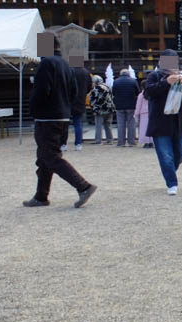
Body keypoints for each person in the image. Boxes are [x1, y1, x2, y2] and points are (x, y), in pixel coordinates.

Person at [24, 35, 97, 208]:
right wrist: (66, 108)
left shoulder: (46, 63)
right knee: (45, 158)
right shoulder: (66, 64)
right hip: (62, 115)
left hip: (47, 116)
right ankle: (41, 196)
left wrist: (33, 109)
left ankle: (83, 186)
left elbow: (41, 90)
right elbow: (74, 90)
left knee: (50, 156)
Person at [144, 49, 182, 195]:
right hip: (160, 123)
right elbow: (148, 92)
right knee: (165, 155)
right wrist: (165, 82)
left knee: (181, 153)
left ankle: (170, 171)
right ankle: (172, 183)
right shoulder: (154, 76)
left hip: (178, 122)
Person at [62, 61, 92, 151]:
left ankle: (63, 144)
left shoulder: (68, 71)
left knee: (65, 124)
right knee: (78, 123)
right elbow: (89, 86)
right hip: (80, 99)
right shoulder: (86, 72)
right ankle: (78, 144)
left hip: (68, 100)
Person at [112, 67, 140, 146]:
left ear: (120, 74)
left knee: (120, 124)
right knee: (131, 124)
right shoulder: (133, 81)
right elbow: (137, 92)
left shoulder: (116, 82)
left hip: (119, 106)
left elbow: (113, 92)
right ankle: (131, 142)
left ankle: (121, 142)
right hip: (131, 105)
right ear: (128, 74)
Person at [89, 75, 115, 144]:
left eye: (93, 82)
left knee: (98, 125)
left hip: (100, 110)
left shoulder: (96, 88)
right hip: (109, 109)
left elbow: (93, 99)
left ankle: (98, 140)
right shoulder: (107, 86)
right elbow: (112, 96)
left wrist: (93, 107)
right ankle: (110, 140)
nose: (92, 83)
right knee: (108, 125)